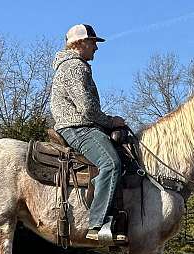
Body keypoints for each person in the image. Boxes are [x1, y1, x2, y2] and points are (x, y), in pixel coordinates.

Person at [50, 24, 126, 241]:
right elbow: (87, 108)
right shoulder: (75, 67)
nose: (96, 48)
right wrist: (111, 121)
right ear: (80, 43)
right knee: (111, 164)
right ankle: (98, 225)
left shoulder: (71, 65)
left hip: (77, 124)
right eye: (92, 42)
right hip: (77, 127)